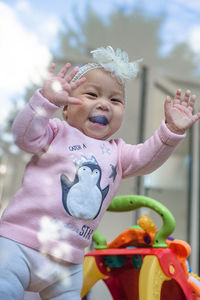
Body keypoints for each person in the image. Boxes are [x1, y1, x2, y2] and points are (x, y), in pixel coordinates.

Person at [0, 46, 199, 300]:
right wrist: (45, 101)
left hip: (68, 262)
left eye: (115, 100)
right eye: (92, 94)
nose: (104, 104)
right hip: (20, 244)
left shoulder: (117, 152)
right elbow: (23, 137)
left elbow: (146, 158)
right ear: (66, 108)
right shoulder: (56, 131)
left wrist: (170, 132)